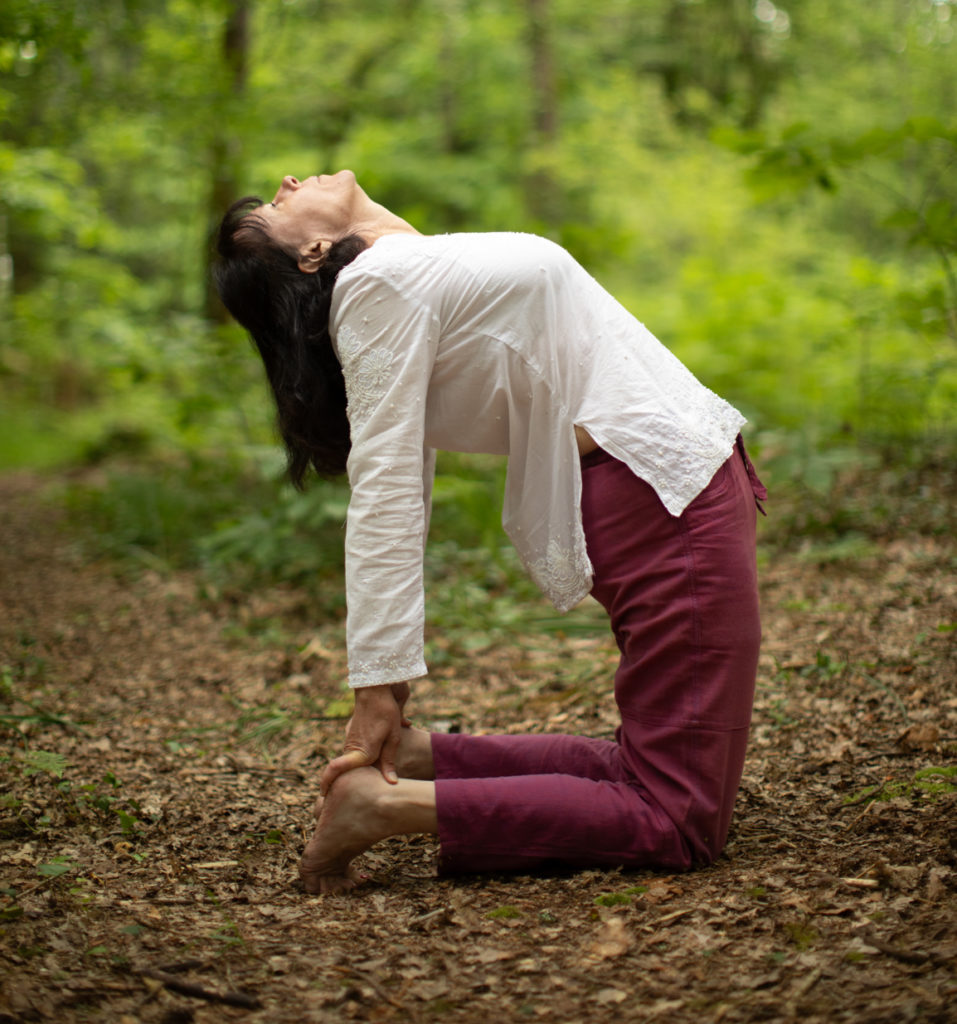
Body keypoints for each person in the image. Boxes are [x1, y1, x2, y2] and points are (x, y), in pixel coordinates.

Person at [214, 171, 767, 895]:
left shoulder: (410, 268)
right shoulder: (382, 286)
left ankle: (423, 763)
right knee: (676, 816)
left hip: (665, 491)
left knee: (647, 766)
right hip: (662, 508)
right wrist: (379, 681)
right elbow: (388, 486)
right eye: (274, 207)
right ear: (313, 252)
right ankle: (385, 806)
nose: (286, 181)